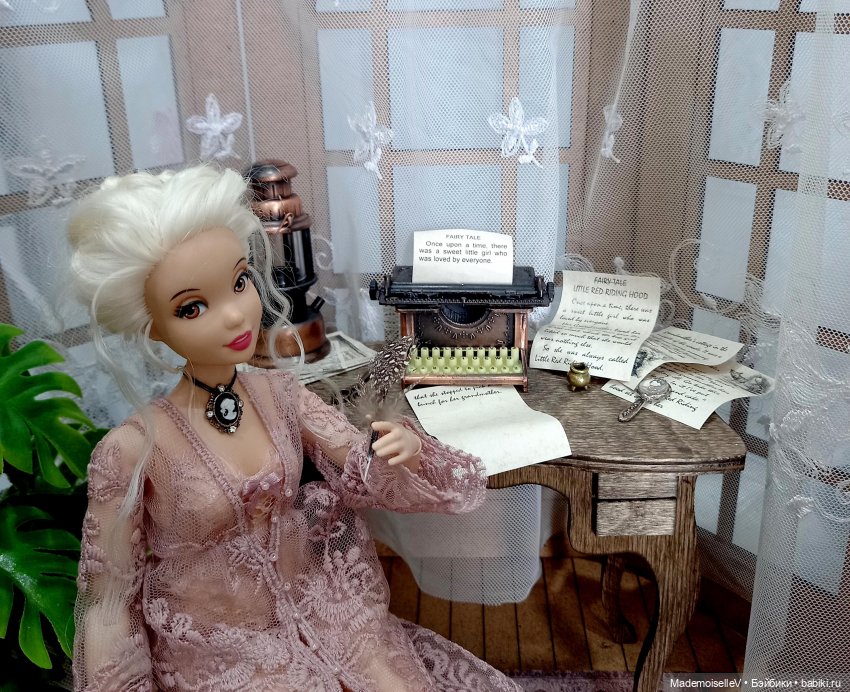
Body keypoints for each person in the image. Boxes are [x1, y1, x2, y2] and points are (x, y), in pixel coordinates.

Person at [67, 165, 522, 692]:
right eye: (193, 307)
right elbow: (107, 603)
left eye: (240, 282)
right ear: (150, 325)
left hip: (328, 612)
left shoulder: (278, 393)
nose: (235, 316)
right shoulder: (130, 450)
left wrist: (402, 450)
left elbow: (358, 466)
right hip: (221, 656)